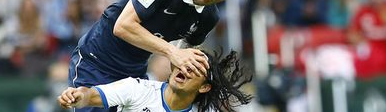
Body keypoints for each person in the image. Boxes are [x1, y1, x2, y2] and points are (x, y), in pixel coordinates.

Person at [68, 0, 255, 112]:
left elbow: (183, 58)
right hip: (95, 64)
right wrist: (171, 52)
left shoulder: (208, 17)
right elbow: (123, 27)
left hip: (134, 76)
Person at [60, 50, 252, 111]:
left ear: (204, 87)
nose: (185, 68)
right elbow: (91, 95)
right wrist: (78, 96)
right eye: (184, 62)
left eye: (194, 68)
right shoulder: (137, 89)